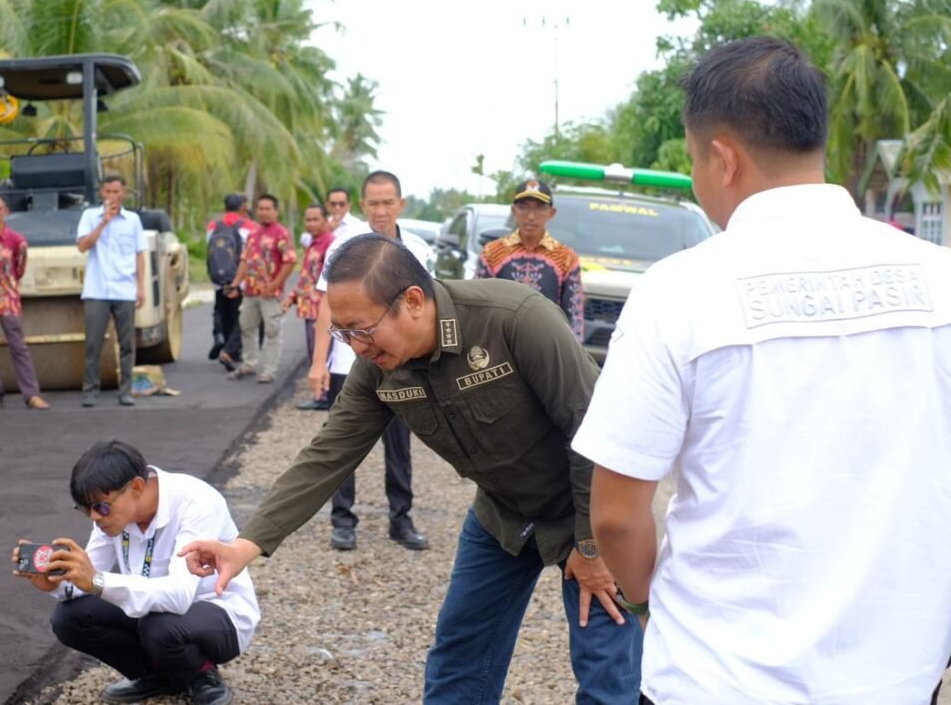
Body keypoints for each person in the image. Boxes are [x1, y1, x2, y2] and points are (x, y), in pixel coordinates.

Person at [574, 37, 951, 704]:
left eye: (694, 160)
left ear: (723, 159)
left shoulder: (678, 292)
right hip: (895, 678)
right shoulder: (939, 281)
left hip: (718, 678)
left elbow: (617, 516)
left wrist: (650, 606)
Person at [181, 234, 643, 703]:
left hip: (591, 508)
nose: (355, 346)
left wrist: (591, 545)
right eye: (342, 333)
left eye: (362, 329)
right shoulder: (379, 366)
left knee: (604, 667)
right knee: (460, 655)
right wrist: (244, 546)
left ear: (414, 302)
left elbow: (595, 432)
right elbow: (328, 453)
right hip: (502, 513)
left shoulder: (514, 319)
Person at [12, 439, 258, 705]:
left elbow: (179, 596)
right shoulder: (111, 515)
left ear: (137, 487)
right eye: (85, 509)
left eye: (100, 506)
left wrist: (96, 580)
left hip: (219, 613)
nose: (94, 517)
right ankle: (157, 675)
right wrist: (55, 584)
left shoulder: (196, 503)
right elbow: (90, 576)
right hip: (153, 612)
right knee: (69, 618)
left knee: (159, 626)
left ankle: (202, 675)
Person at [309, 171, 432, 551]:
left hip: (400, 364)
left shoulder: (417, 249)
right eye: (373, 203)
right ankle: (343, 520)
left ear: (401, 204)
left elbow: (428, 308)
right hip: (349, 363)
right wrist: (319, 363)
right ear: (363, 206)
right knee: (343, 442)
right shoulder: (343, 248)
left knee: (400, 446)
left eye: (388, 203)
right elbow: (326, 308)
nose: (381, 210)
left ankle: (401, 518)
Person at [477, 179, 585, 344]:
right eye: (524, 207)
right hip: (501, 343)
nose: (531, 216)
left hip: (547, 343)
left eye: (540, 208)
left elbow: (574, 312)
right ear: (514, 211)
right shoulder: (492, 252)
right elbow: (479, 304)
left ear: (551, 213)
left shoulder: (566, 257)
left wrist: (573, 350)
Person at [0, 194, 49, 411]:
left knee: (18, 346)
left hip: (7, 299)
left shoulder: (16, 240)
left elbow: (19, 269)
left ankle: (31, 394)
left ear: (6, 212)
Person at [76, 175, 147, 408]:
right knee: (93, 343)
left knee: (127, 344)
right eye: (108, 191)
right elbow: (82, 246)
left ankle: (125, 391)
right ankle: (90, 391)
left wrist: (141, 287)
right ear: (101, 193)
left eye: (116, 192)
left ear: (124, 193)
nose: (112, 196)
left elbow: (139, 254)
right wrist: (103, 222)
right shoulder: (89, 216)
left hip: (124, 289)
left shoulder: (133, 220)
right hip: (97, 289)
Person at [221, 194, 295, 384]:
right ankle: (249, 364)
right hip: (250, 292)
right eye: (261, 208)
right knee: (246, 327)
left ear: (276, 211)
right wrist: (235, 284)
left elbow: (289, 262)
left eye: (268, 209)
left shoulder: (282, 233)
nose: (264, 212)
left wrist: (274, 285)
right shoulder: (253, 233)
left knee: (272, 331)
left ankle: (269, 370)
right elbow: (245, 261)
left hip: (271, 294)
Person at [280, 203, 334, 366]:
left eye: (316, 219)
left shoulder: (330, 244)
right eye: (308, 220)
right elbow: (307, 277)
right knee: (313, 352)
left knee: (321, 356)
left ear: (325, 220)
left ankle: (324, 383)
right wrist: (291, 298)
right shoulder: (312, 243)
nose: (311, 224)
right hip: (309, 308)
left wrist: (326, 316)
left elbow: (333, 281)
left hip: (322, 309)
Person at [205, 193, 254, 364]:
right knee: (238, 313)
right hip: (239, 277)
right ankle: (232, 350)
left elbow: (209, 249)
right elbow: (250, 252)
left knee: (221, 309)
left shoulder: (213, 225)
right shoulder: (248, 226)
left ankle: (220, 336)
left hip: (218, 276)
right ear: (243, 207)